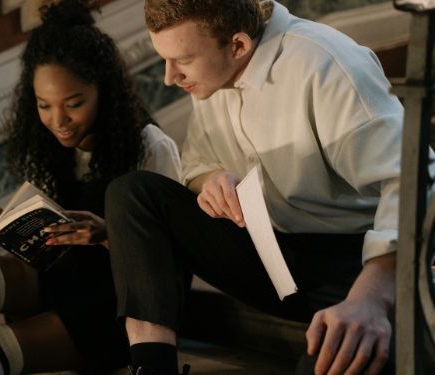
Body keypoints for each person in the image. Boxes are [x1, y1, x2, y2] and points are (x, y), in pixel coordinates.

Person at [105, 0, 412, 374]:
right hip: (273, 253)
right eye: (164, 61)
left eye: (182, 61)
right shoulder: (212, 73)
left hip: (360, 262)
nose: (170, 77)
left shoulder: (325, 63)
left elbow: (414, 180)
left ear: (237, 46)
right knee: (133, 194)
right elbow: (196, 163)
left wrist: (373, 299)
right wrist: (210, 180)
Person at [0, 1, 182, 374]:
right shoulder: (50, 145)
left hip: (121, 307)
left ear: (103, 92)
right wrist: (9, 229)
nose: (58, 120)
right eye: (44, 105)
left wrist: (109, 234)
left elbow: (172, 263)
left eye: (73, 104)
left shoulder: (150, 147)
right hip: (69, 280)